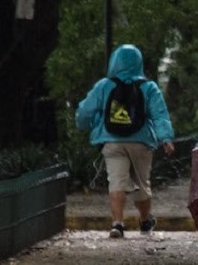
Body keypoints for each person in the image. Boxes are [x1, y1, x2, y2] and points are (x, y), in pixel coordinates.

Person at [75, 44, 176, 238]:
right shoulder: (149, 87)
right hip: (141, 141)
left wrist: (86, 125)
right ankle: (145, 221)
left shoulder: (105, 85)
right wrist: (166, 138)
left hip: (112, 140)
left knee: (116, 181)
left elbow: (85, 111)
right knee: (142, 182)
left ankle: (117, 224)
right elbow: (159, 115)